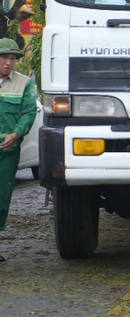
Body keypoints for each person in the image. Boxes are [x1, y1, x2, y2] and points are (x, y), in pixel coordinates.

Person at [0, 39, 38, 262]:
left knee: (2, 198)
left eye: (13, 58)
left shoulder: (23, 84)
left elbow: (28, 113)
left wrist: (16, 134)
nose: (9, 62)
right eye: (4, 57)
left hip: (7, 152)